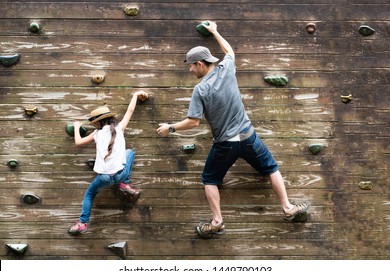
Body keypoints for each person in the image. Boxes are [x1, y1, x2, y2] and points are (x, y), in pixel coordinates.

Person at [156, 21, 308, 239]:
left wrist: (169, 128)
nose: (189, 70)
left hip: (225, 144)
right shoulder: (225, 69)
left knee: (209, 180)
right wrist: (215, 32)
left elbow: (193, 122)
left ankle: (217, 222)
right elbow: (229, 51)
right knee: (272, 169)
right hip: (248, 137)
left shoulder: (200, 90)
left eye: (190, 65)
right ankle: (287, 208)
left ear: (199, 64)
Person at [68, 91, 149, 235]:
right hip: (120, 173)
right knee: (130, 152)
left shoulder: (97, 133)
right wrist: (135, 95)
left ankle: (83, 223)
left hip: (104, 177)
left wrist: (75, 127)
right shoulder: (119, 128)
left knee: (90, 194)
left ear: (98, 123)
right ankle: (125, 183)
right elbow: (130, 110)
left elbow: (78, 142)